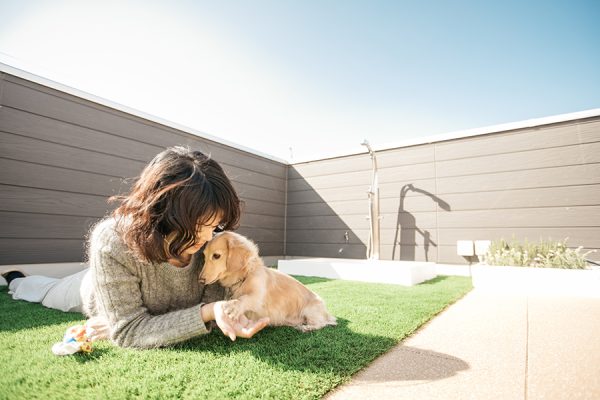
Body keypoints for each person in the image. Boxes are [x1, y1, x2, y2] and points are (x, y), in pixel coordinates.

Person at [3, 146, 269, 348]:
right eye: (199, 224)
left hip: (139, 304)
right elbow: (129, 331)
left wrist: (211, 311)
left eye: (216, 225)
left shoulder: (212, 243)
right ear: (164, 213)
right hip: (93, 290)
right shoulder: (112, 241)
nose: (208, 236)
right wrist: (130, 325)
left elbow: (210, 307)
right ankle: (15, 280)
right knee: (44, 290)